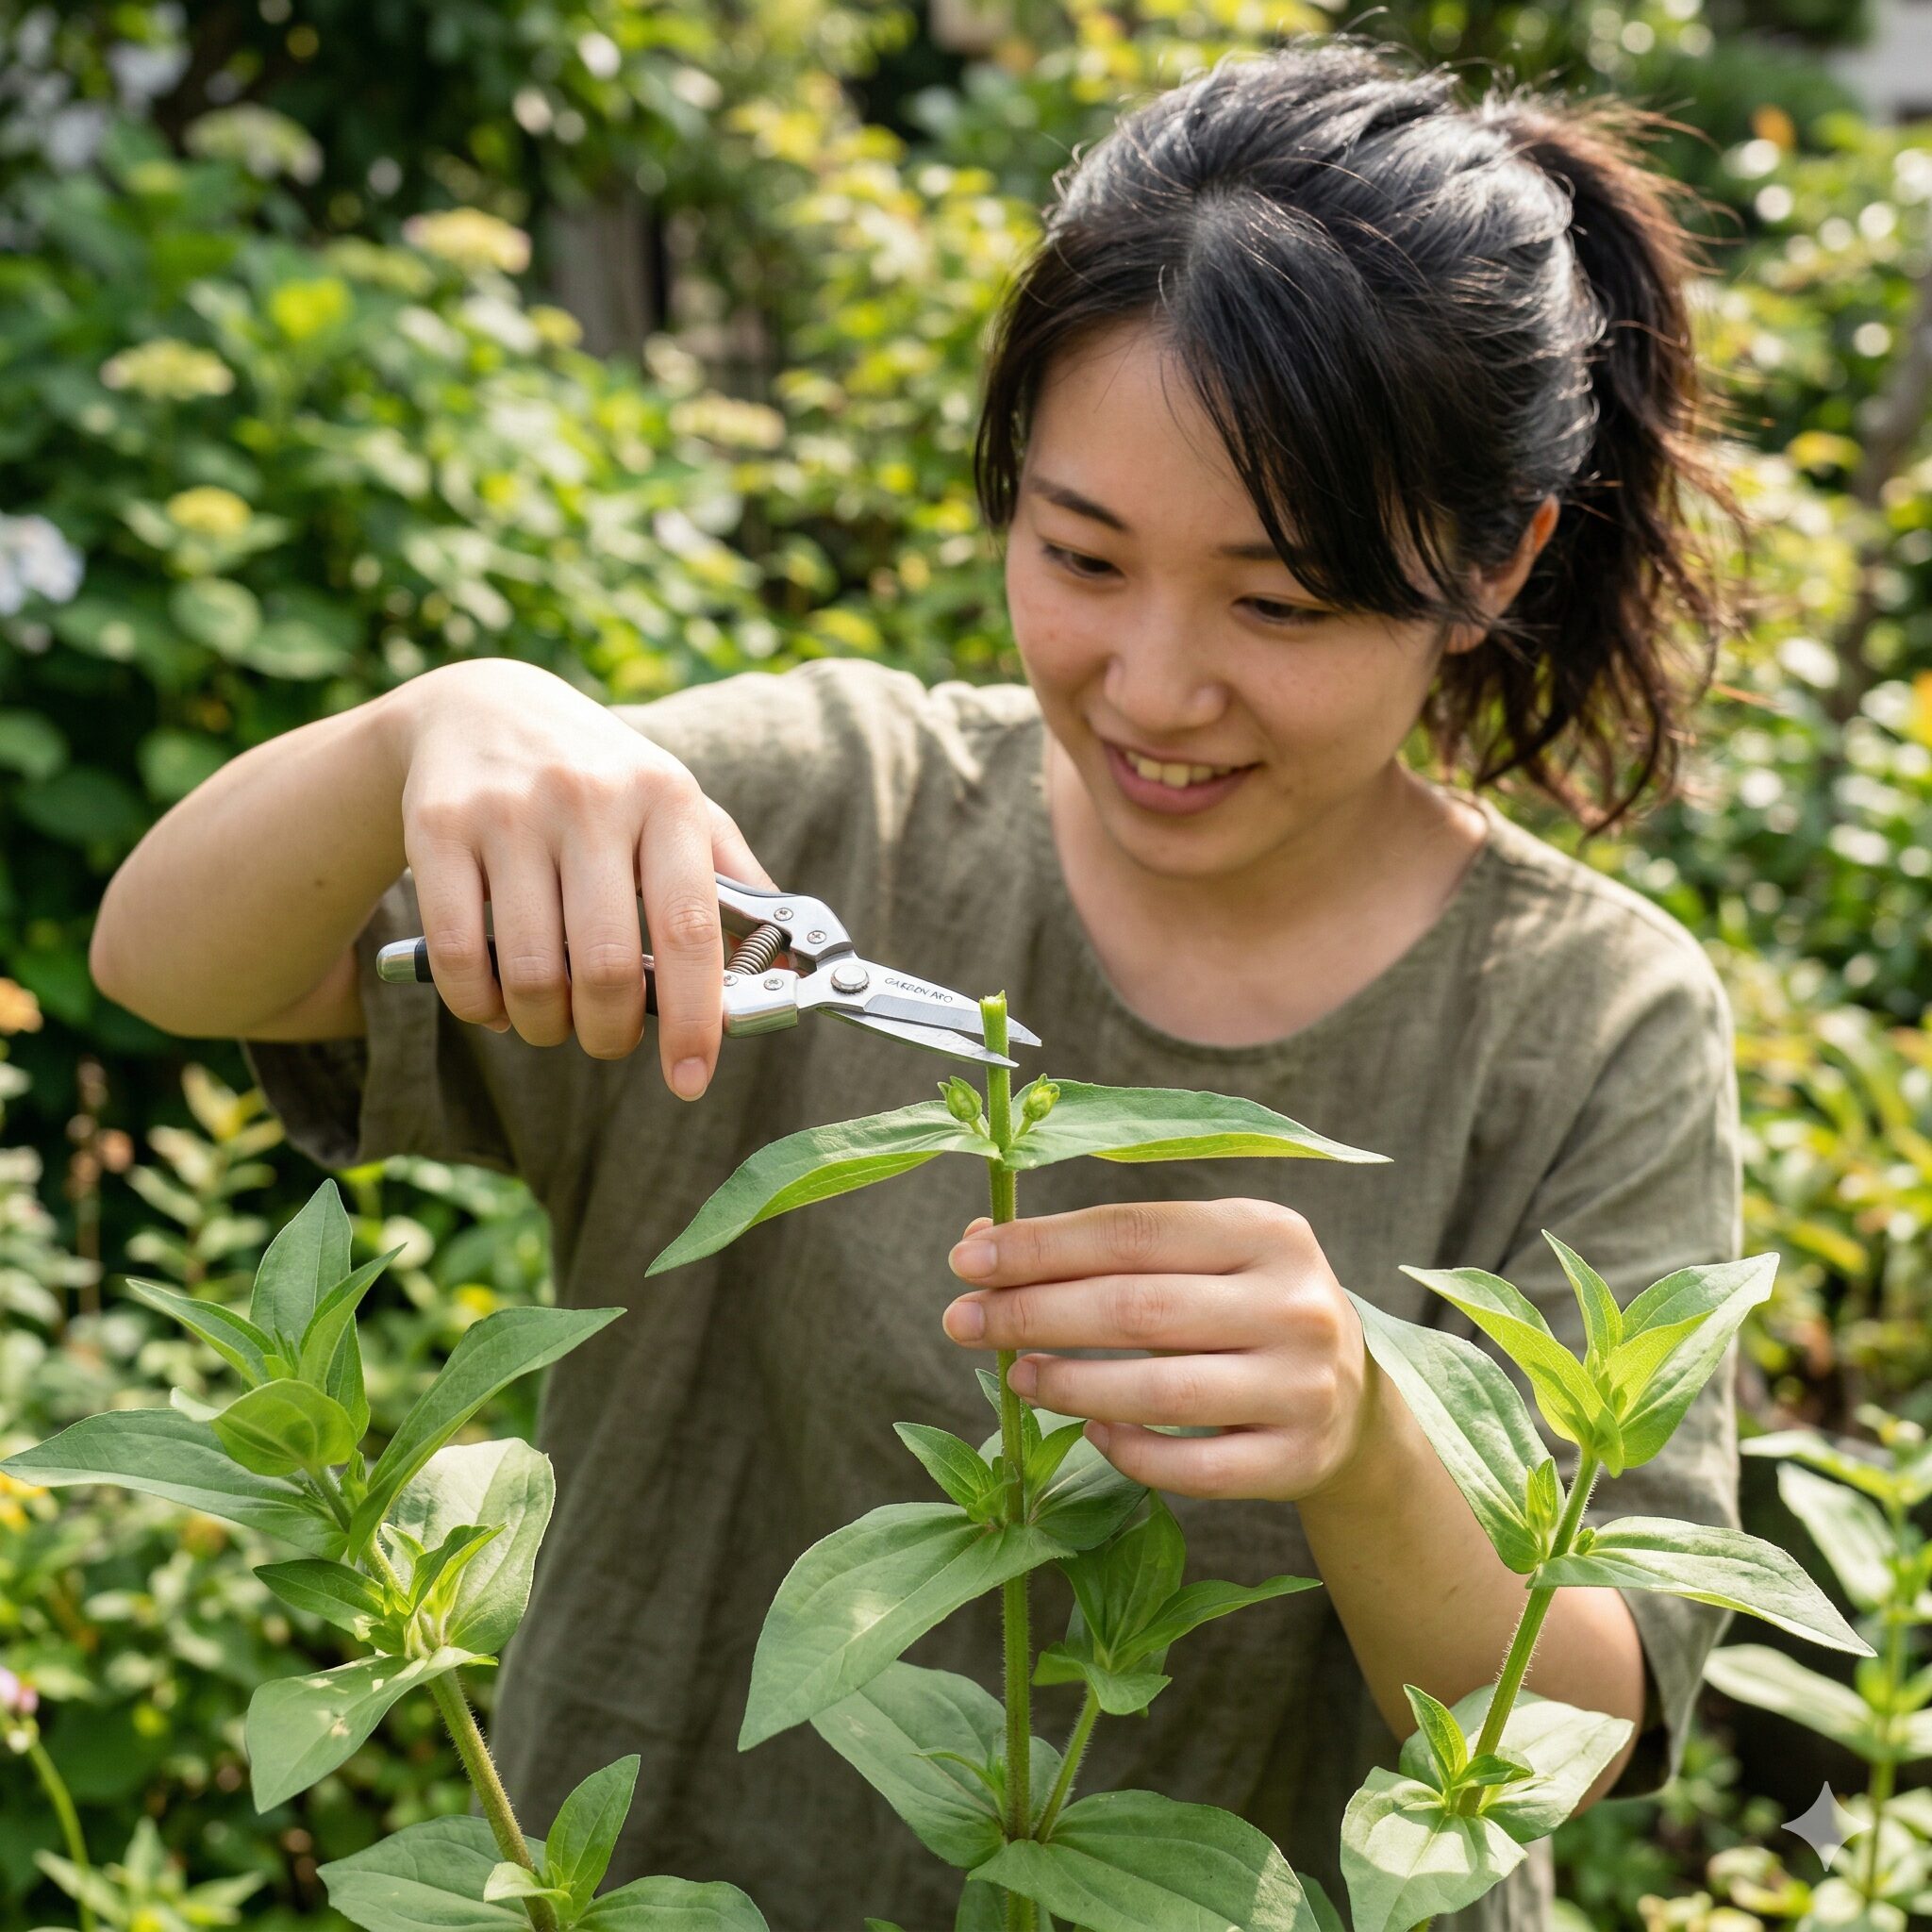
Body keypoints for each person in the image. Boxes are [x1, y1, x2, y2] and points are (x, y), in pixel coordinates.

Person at [89, 37, 1749, 1932]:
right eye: (1079, 553)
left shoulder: (1586, 1018)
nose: (1152, 681)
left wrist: (1374, 1440)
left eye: (1277, 603)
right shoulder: (809, 811)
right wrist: (435, 727)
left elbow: (1585, 1725)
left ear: (1491, 563)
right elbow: (163, 961)